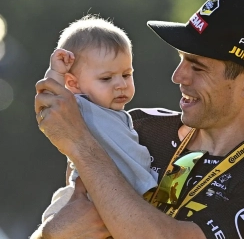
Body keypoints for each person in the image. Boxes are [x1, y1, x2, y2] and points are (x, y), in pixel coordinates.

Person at [32, 0, 244, 238]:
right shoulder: (134, 126)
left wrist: (80, 143)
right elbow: (71, 209)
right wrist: (50, 234)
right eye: (181, 59)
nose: (178, 76)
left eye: (197, 67)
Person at [39, 16, 157, 222]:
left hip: (124, 197)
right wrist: (56, 71)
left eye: (126, 74)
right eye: (106, 78)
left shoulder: (120, 115)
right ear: (74, 84)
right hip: (89, 196)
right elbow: (51, 100)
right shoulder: (80, 106)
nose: (120, 84)